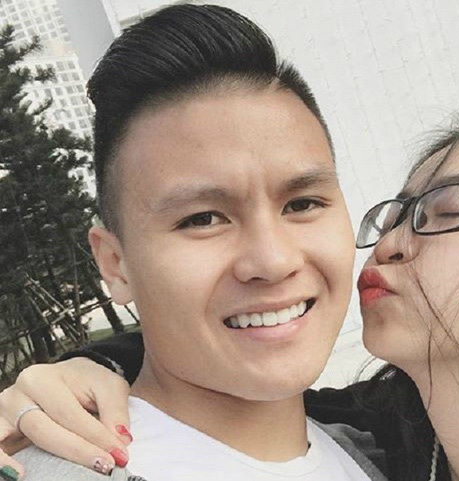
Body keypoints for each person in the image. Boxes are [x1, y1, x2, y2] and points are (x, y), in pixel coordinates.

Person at [3, 117, 459, 481]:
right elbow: (220, 382)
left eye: (447, 211)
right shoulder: (382, 440)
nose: (389, 244)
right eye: (397, 213)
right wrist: (92, 371)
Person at [0, 4, 388, 480]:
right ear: (115, 264)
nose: (273, 260)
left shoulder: (383, 452)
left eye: (301, 203)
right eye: (203, 219)